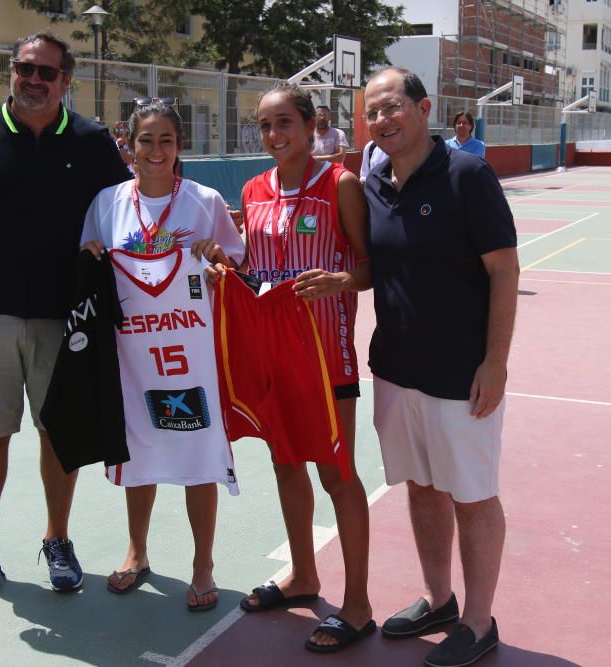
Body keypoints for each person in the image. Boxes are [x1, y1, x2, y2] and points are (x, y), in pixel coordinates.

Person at [0, 30, 131, 603]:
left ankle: (57, 539)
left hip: (66, 321)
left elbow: (126, 223)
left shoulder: (91, 141)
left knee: (57, 435)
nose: (33, 80)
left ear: (67, 81)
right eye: (24, 69)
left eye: (46, 72)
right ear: (11, 72)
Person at [362, 67, 518, 667]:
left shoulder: (467, 175)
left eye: (393, 107)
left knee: (473, 496)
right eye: (373, 111)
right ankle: (438, 598)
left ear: (424, 108)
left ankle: (479, 623)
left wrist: (496, 363)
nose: (383, 120)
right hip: (396, 370)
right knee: (422, 488)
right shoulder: (373, 178)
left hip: (461, 375)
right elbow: (379, 267)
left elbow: (504, 270)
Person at [80, 102, 244, 611]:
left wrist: (217, 262)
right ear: (128, 144)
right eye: (146, 140)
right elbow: (88, 263)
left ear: (180, 146)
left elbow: (232, 262)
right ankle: (137, 550)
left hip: (190, 358)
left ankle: (203, 564)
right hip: (133, 360)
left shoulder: (205, 201)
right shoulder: (107, 203)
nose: (156, 150)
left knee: (199, 459)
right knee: (139, 455)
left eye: (166, 139)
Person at [229, 83, 374, 653]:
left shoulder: (340, 184)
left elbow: (369, 266)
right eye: (265, 125)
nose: (274, 135)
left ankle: (358, 603)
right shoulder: (253, 189)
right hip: (272, 355)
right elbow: (249, 265)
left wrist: (342, 280)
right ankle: (303, 575)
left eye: (284, 122)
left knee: (337, 474)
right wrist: (225, 264)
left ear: (312, 124)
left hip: (327, 354)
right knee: (286, 463)